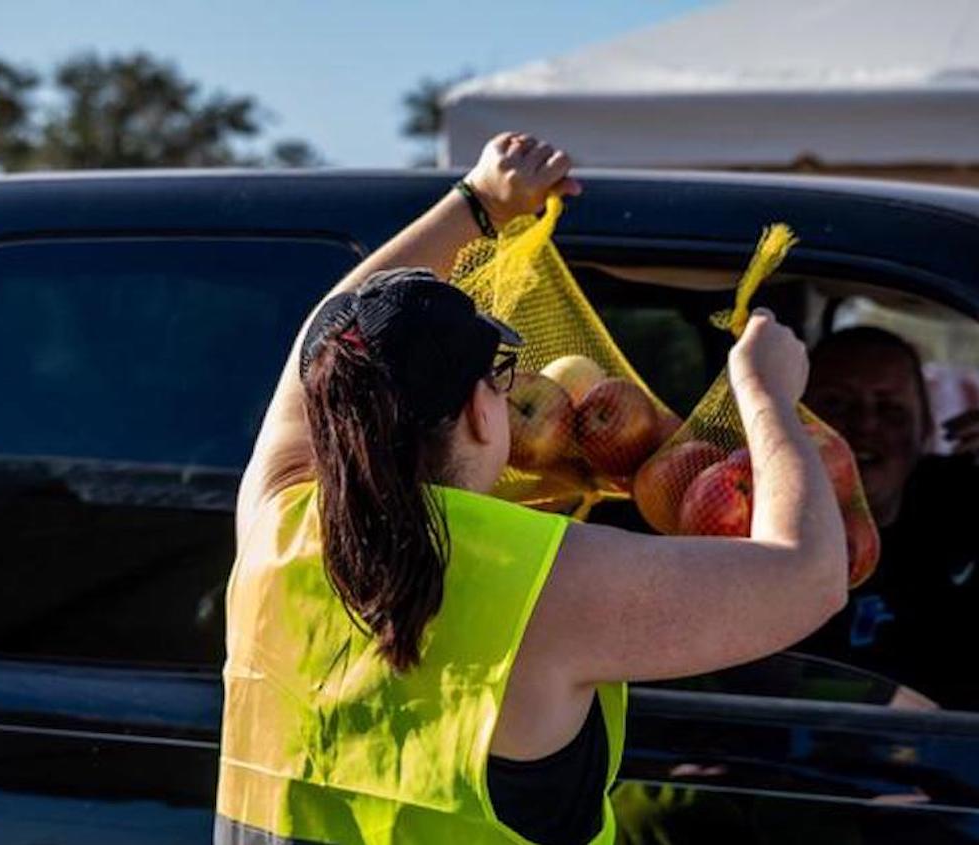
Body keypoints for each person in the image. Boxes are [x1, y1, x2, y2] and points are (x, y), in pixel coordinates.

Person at [216, 132, 847, 845]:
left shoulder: (277, 524)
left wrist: (479, 202)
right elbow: (811, 575)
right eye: (498, 377)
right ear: (480, 412)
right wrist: (765, 394)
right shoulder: (541, 582)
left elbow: (323, 339)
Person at [798, 326, 979, 709]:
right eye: (836, 405)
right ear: (792, 421)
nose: (865, 425)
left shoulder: (962, 502)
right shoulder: (744, 522)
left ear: (926, 429)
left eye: (891, 409)